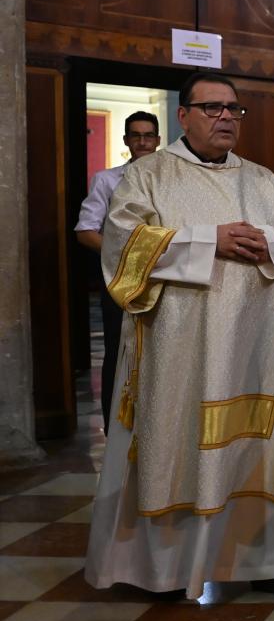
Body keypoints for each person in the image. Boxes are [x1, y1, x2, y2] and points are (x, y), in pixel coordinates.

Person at [84, 72, 274, 604]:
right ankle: (167, 572)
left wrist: (272, 243)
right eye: (213, 108)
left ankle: (265, 562)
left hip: (253, 347)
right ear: (184, 116)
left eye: (234, 109)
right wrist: (208, 241)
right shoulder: (148, 175)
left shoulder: (261, 179)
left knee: (255, 449)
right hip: (180, 348)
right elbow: (122, 245)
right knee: (176, 447)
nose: (226, 118)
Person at [74, 111, 161, 433]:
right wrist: (128, 258)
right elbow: (85, 231)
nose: (142, 142)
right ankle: (116, 433)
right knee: (119, 351)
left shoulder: (172, 180)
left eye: (148, 135)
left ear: (158, 140)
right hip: (121, 279)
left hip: (166, 279)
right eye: (136, 135)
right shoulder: (107, 180)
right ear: (126, 140)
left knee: (163, 351)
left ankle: (159, 430)